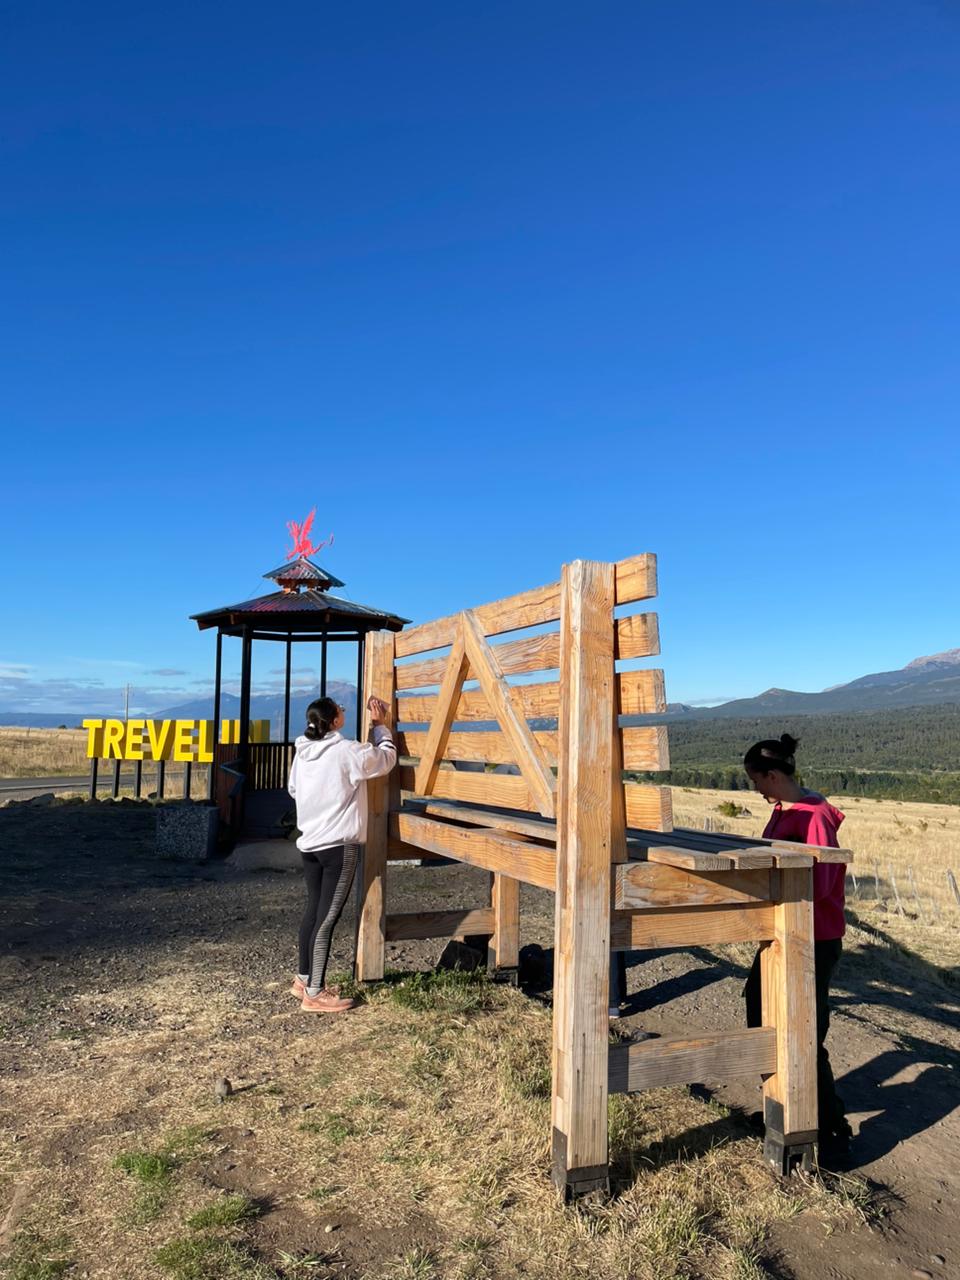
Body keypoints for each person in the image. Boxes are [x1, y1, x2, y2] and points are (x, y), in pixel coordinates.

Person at [742, 733, 853, 1156]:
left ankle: (831, 1129)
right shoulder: (786, 809)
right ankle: (781, 1108)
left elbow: (821, 883)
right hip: (781, 932)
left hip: (813, 937)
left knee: (805, 1030)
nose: (756, 788)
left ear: (773, 775)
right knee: (761, 1012)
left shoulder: (815, 816)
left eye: (757, 780)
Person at [287, 693, 397, 1013]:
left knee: (313, 912)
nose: (344, 712)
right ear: (335, 721)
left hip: (310, 843)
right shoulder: (346, 751)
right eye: (341, 710)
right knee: (327, 918)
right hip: (339, 846)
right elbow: (386, 759)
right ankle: (315, 994)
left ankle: (304, 979)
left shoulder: (302, 752)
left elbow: (294, 789)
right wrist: (380, 727)